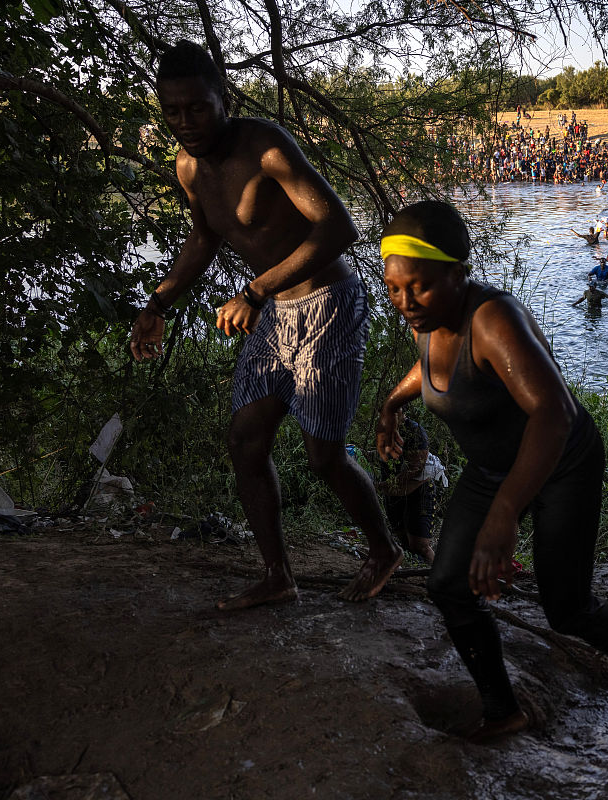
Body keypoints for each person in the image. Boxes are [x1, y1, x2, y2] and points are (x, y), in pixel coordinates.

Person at [377, 200, 608, 740]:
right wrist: (392, 404)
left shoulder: (491, 319)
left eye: (418, 286)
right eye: (394, 288)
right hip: (492, 468)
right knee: (448, 585)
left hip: (561, 462)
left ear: (458, 273)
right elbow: (431, 369)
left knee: (567, 608)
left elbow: (553, 412)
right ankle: (502, 709)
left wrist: (504, 514)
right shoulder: (428, 317)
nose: (405, 301)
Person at [130, 41, 401, 611]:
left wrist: (255, 290)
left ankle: (383, 551)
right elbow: (204, 237)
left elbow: (338, 228)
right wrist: (159, 304)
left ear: (222, 97)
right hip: (275, 312)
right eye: (172, 112)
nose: (186, 123)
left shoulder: (268, 148)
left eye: (197, 108)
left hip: (326, 303)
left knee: (324, 456)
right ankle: (278, 576)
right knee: (245, 439)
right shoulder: (188, 167)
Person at [374, 408, 444, 564]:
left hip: (417, 491)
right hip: (393, 494)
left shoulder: (414, 431)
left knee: (420, 546)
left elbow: (415, 468)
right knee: (404, 542)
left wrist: (382, 486)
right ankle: (416, 574)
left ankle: (439, 576)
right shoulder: (384, 429)